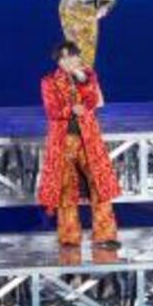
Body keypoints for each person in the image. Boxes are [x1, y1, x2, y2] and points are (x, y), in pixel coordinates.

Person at [38, 41, 122, 249]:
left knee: (99, 186)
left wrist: (82, 80)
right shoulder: (49, 81)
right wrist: (70, 110)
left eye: (71, 56)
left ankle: (105, 236)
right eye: (63, 58)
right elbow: (52, 111)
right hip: (63, 141)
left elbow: (93, 101)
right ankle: (69, 237)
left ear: (77, 57)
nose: (68, 61)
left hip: (89, 139)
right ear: (58, 61)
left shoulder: (88, 77)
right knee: (66, 189)